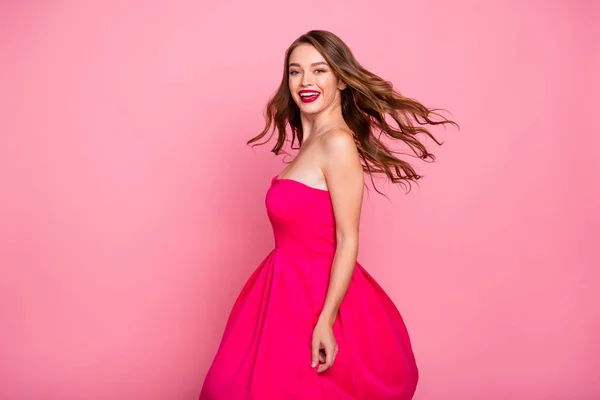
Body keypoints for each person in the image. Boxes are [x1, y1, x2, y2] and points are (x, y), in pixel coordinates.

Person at [199, 30, 457, 400]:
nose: (306, 81)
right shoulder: (310, 145)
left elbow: (348, 238)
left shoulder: (337, 143)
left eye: (319, 70)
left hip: (314, 294)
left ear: (340, 78)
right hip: (279, 288)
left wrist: (326, 319)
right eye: (295, 71)